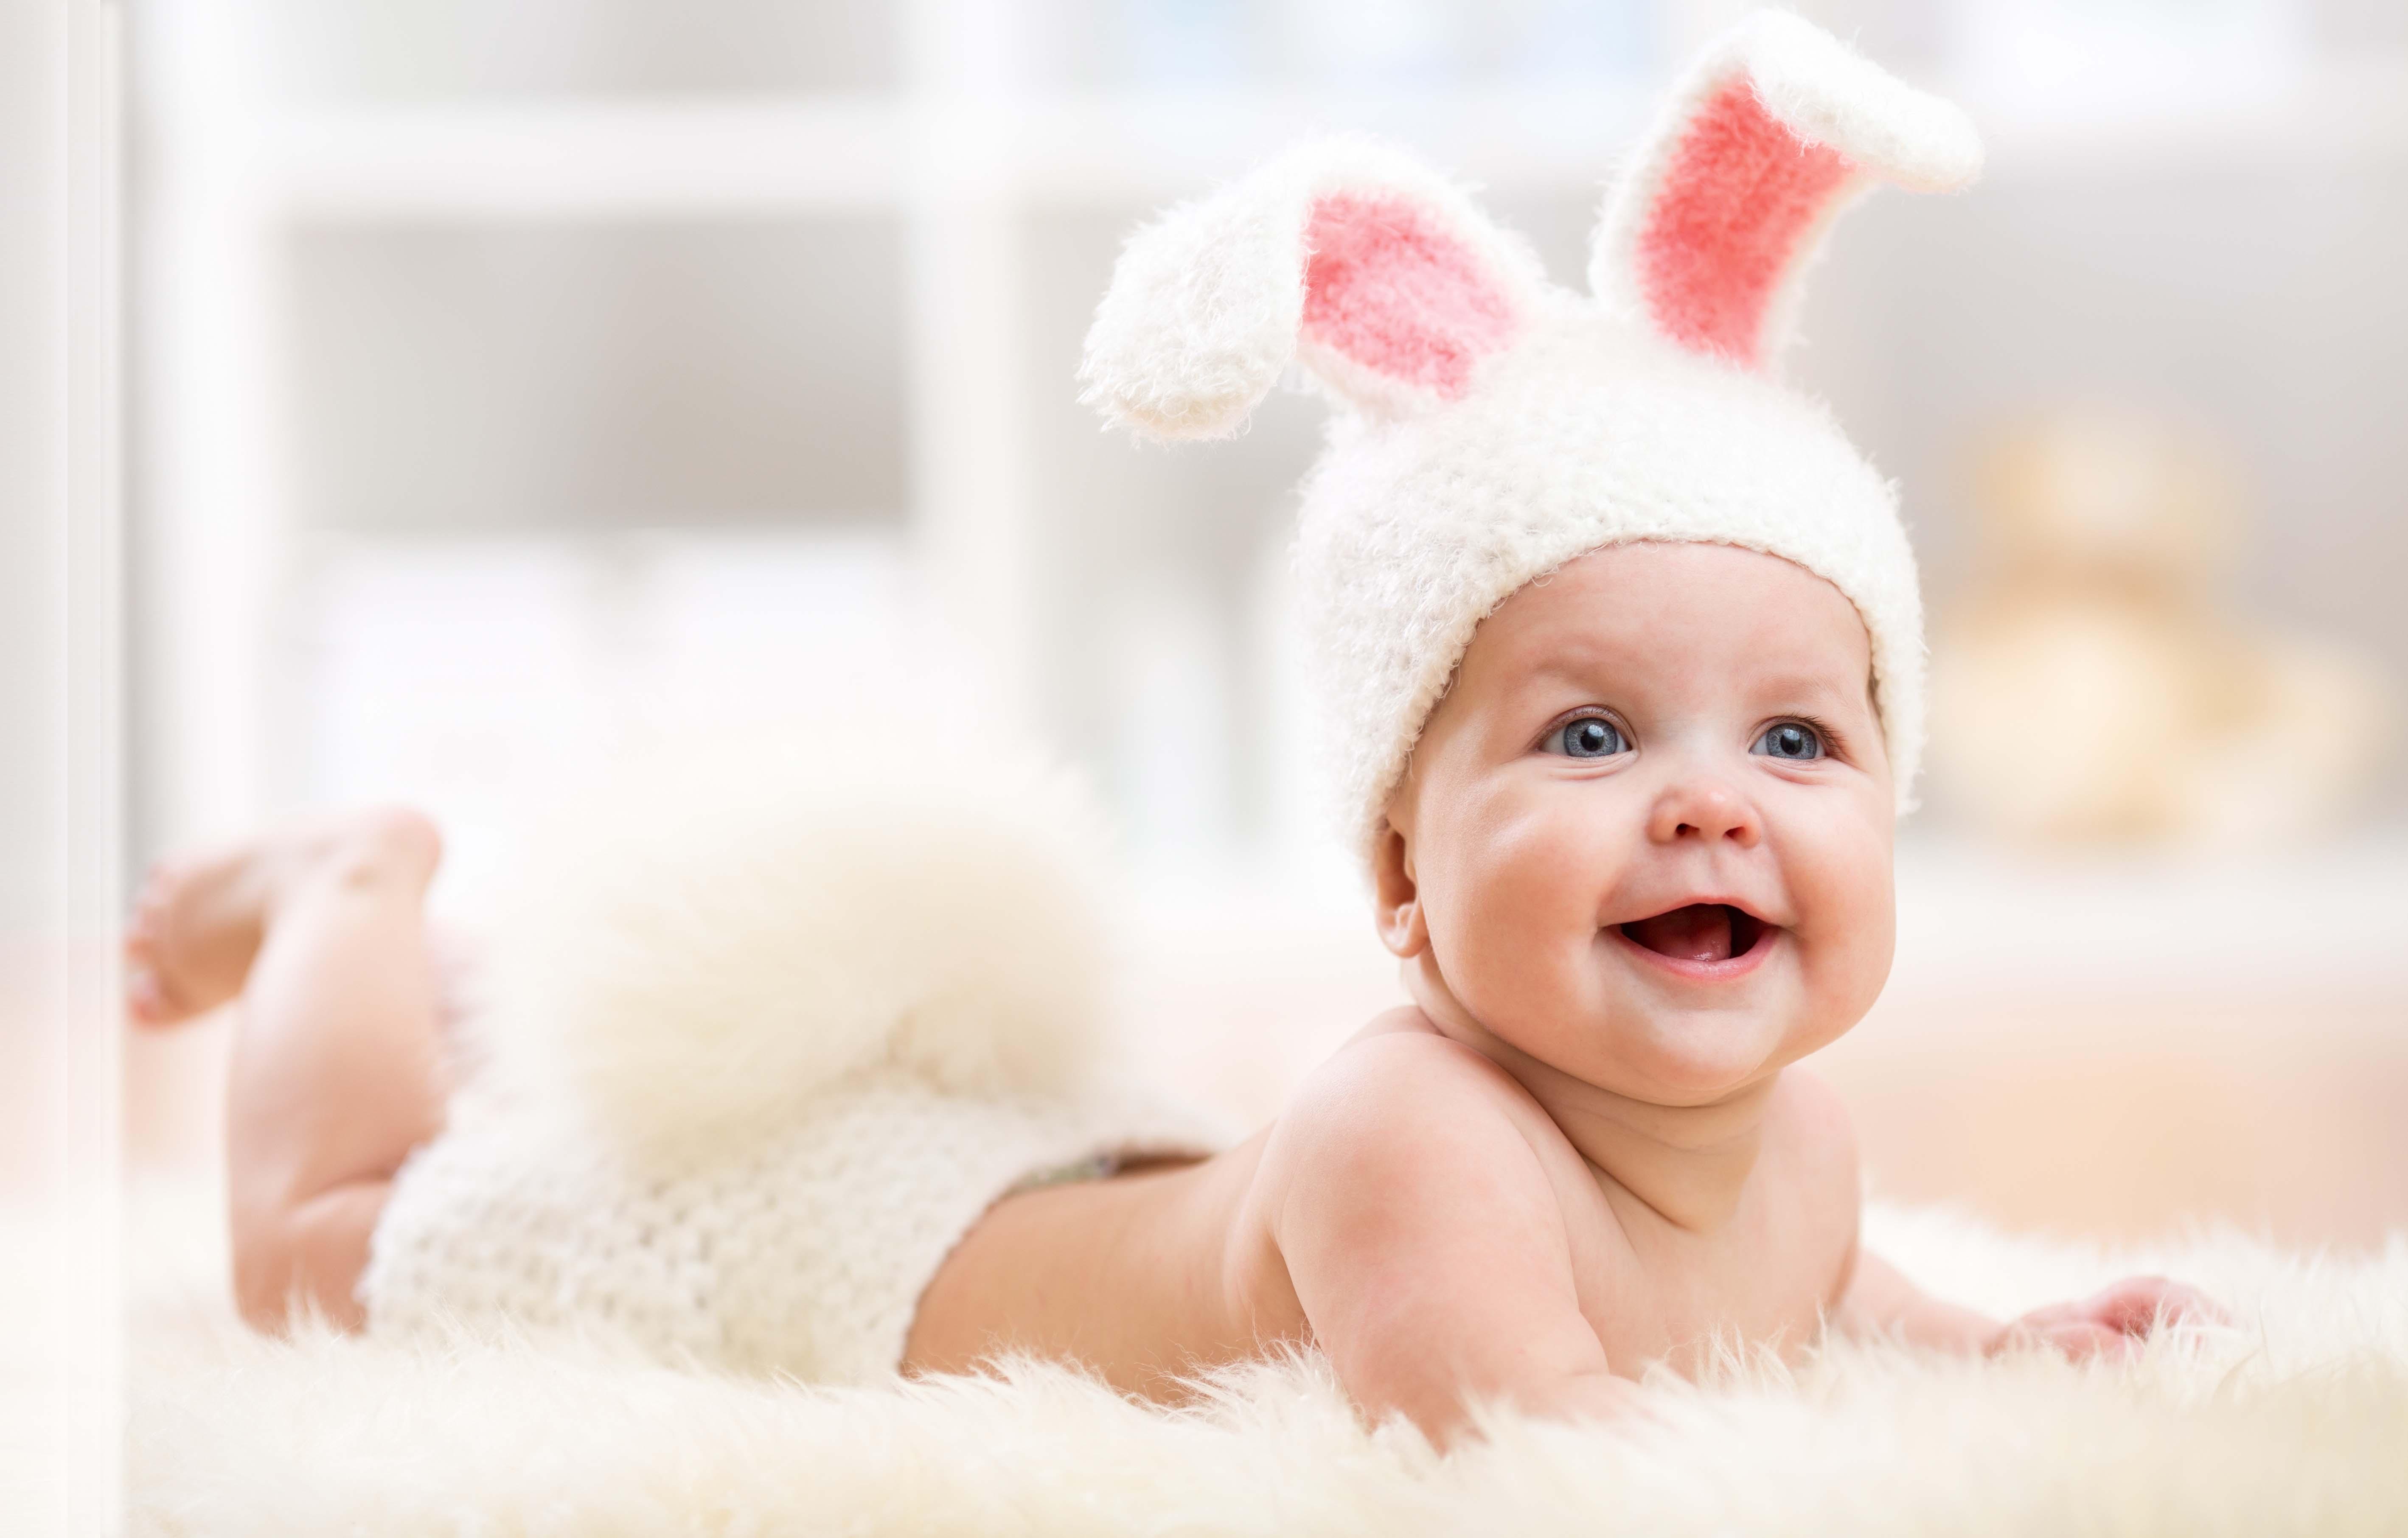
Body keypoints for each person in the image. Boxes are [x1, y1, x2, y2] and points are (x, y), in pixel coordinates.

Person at [126, 13, 2218, 1446]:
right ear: (1401, 870)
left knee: (608, 1074)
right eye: (1590, 740)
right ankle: (349, 894)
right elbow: (1537, 1443)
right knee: (337, 1255)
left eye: (1798, 743)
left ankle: (482, 982)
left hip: (1024, 1166)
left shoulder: (1808, 1147)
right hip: (846, 1259)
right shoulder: (1418, 1133)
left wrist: (1996, 1347)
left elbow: (1816, 1298)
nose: (1708, 807)